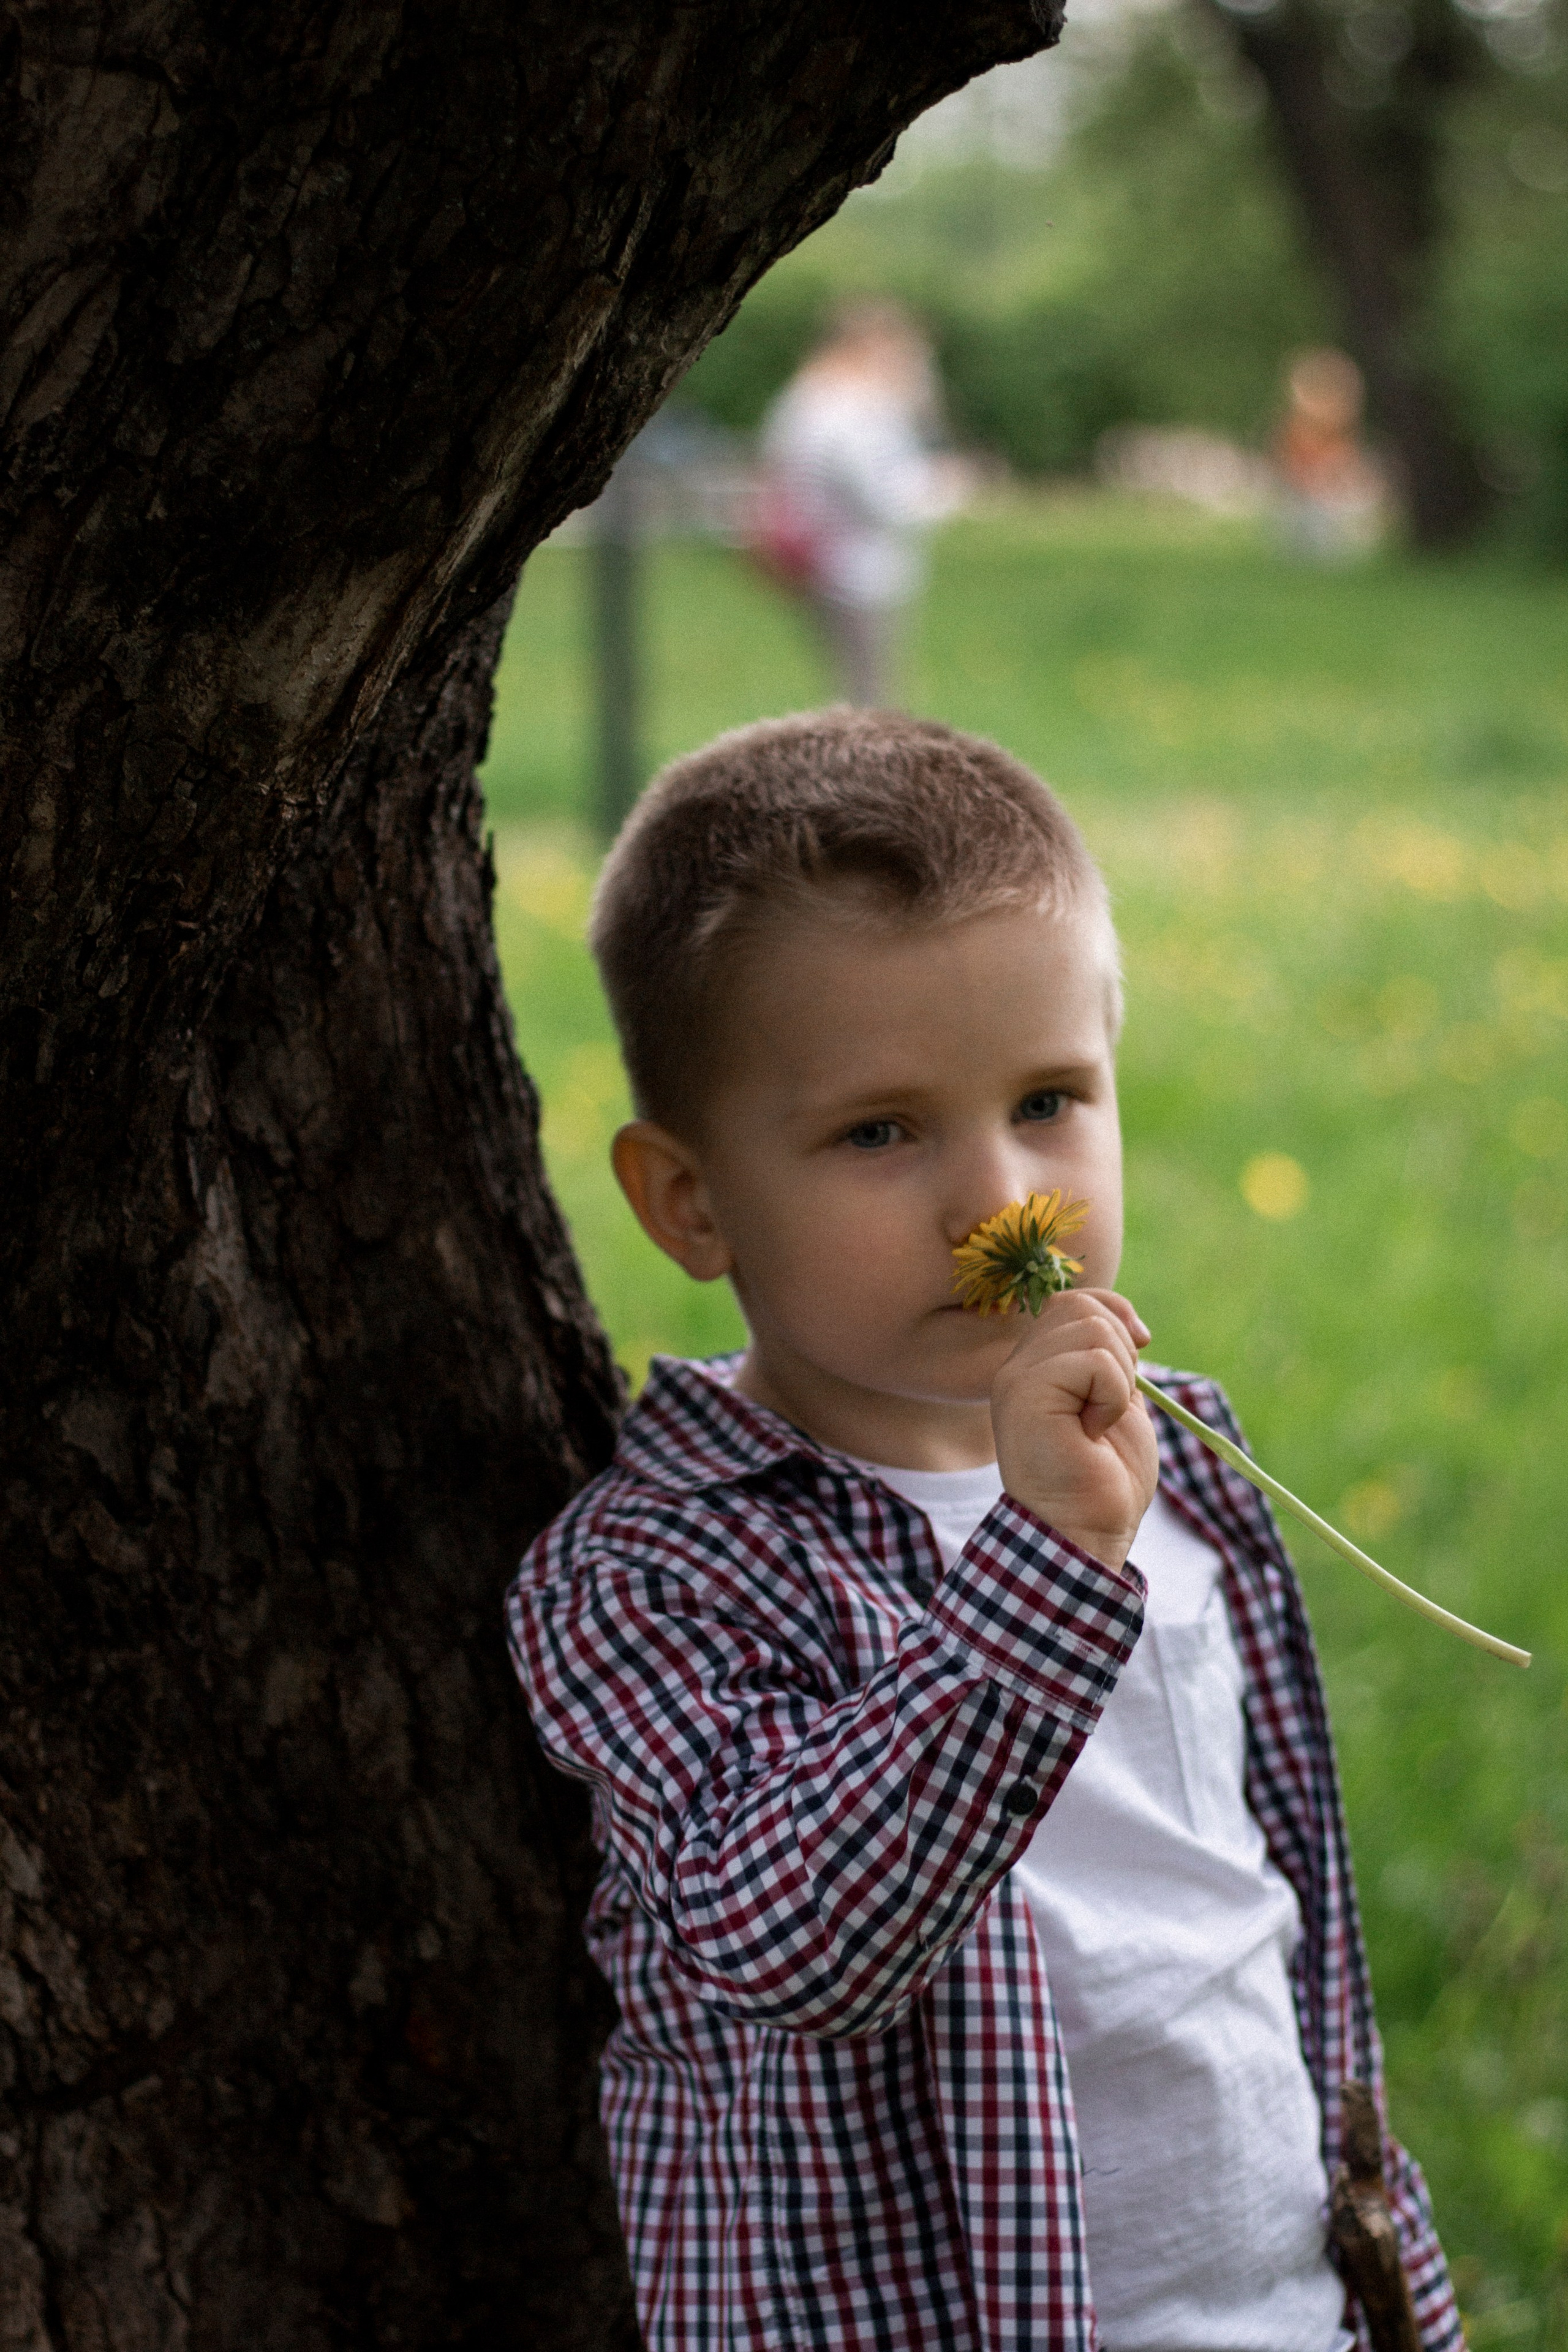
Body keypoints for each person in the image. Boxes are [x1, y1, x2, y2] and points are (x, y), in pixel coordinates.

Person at [506, 710, 1461, 2352]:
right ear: (692, 1202)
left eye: (1047, 1100)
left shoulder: (1197, 1464)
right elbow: (788, 1937)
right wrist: (1038, 1565)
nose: (995, 1201)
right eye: (881, 1131)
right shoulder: (650, 1569)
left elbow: (1264, 1929)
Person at [756, 300, 970, 704]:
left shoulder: (808, 398)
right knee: (871, 701)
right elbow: (883, 500)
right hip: (856, 570)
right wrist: (947, 487)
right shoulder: (848, 409)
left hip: (832, 561)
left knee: (860, 692)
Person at [1273, 348, 1387, 562]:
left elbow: (1343, 453)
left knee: (1325, 533)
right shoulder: (1299, 425)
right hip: (1307, 489)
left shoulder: (1335, 421)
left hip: (1326, 490)